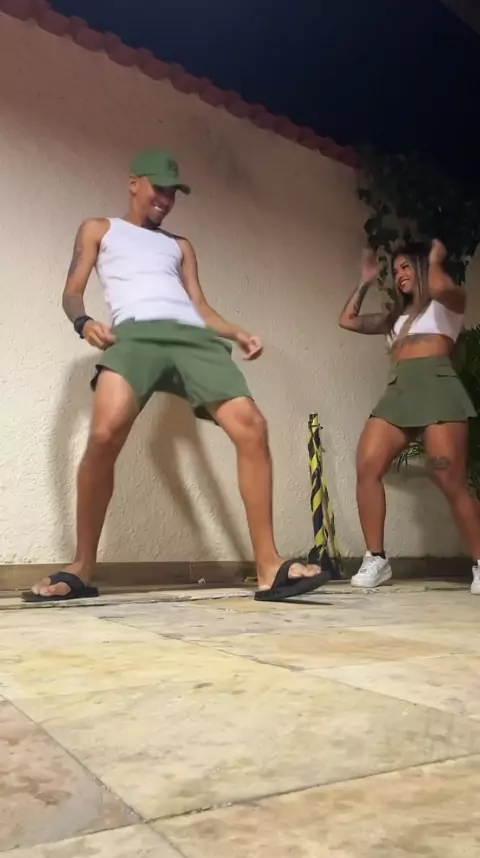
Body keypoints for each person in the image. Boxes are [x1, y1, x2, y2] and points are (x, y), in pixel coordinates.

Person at [24, 149, 330, 604]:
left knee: (252, 427)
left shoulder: (179, 245)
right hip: (135, 335)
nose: (165, 200)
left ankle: (269, 565)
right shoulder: (99, 229)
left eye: (172, 193)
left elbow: (200, 307)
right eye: (159, 188)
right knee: (104, 435)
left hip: (190, 337)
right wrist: (83, 322)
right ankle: (82, 565)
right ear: (134, 183)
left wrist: (236, 332)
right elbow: (72, 292)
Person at [339, 239, 480, 594]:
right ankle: (376, 559)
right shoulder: (394, 319)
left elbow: (441, 287)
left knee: (449, 479)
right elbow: (348, 320)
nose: (399, 274)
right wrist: (365, 281)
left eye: (406, 267)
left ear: (422, 268)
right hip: (400, 390)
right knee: (367, 466)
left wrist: (434, 261)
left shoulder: (448, 304)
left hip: (438, 387)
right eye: (395, 270)